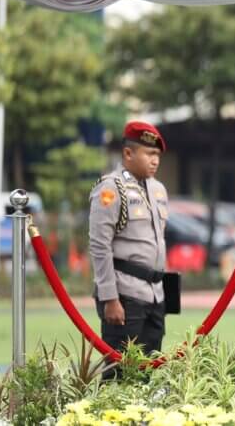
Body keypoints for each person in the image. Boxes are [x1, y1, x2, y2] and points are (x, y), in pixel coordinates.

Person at [89, 121, 169, 372]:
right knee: (119, 373)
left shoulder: (158, 189)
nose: (155, 161)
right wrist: (109, 298)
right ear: (128, 153)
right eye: (149, 153)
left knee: (149, 373)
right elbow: (99, 246)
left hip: (155, 294)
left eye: (158, 155)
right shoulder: (111, 189)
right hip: (125, 295)